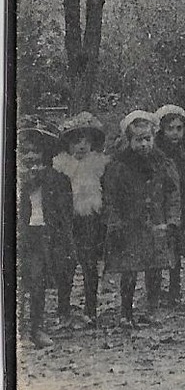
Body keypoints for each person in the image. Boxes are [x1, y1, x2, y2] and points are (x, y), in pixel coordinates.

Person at [101, 111, 181, 326]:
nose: (144, 144)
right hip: (129, 225)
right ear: (129, 140)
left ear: (154, 138)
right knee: (129, 270)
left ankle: (152, 309)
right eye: (138, 140)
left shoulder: (162, 163)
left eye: (148, 139)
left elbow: (172, 193)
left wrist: (172, 220)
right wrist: (115, 222)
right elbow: (110, 197)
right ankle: (126, 312)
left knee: (154, 268)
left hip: (156, 223)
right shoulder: (119, 166)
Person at [52, 112, 109, 328]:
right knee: (66, 266)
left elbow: (108, 194)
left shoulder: (99, 165)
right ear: (68, 144)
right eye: (76, 141)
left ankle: (91, 309)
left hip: (90, 222)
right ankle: (63, 310)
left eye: (86, 141)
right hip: (67, 222)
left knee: (89, 266)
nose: (82, 146)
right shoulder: (61, 167)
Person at [18, 119, 70, 347]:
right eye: (25, 152)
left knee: (38, 281)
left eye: (36, 152)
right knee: (16, 283)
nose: (31, 158)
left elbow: (64, 214)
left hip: (42, 235)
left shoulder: (57, 180)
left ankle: (37, 327)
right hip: (21, 236)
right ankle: (18, 331)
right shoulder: (14, 179)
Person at [152, 105, 185, 305]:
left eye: (179, 128)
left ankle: (174, 288)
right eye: (170, 128)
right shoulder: (155, 153)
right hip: (159, 203)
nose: (174, 133)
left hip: (180, 203)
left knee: (176, 247)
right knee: (156, 246)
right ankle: (153, 289)